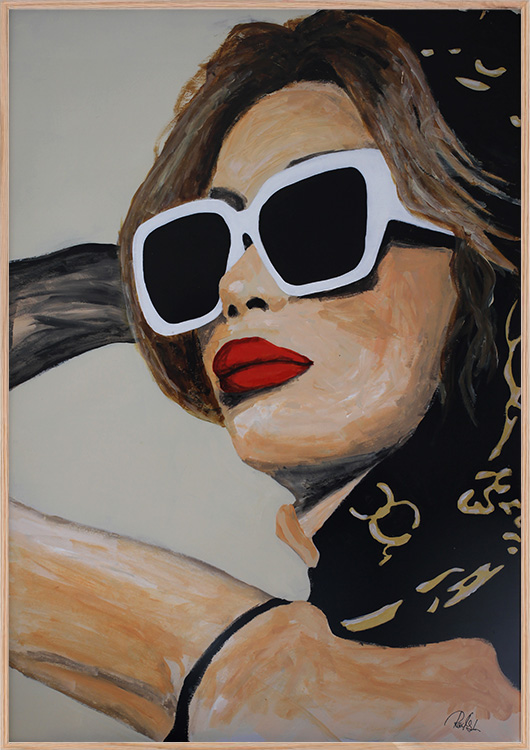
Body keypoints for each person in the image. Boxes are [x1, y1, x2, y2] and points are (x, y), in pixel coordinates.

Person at [9, 9, 521, 742]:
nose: (234, 286)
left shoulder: (475, 679)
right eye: (202, 248)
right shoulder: (372, 613)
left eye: (319, 221)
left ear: (491, 257)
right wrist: (131, 290)